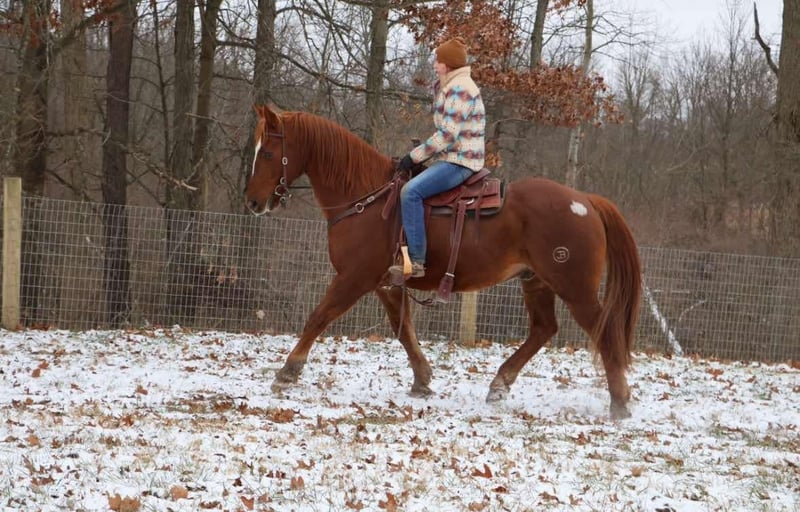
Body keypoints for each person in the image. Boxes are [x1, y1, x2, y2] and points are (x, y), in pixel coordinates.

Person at [389, 36, 486, 279]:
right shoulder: (453, 85)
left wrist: (414, 157)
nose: (435, 65)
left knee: (410, 192)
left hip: (460, 161)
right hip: (453, 157)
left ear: (448, 64)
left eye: (438, 61)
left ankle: (416, 262)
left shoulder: (460, 89)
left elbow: (448, 134)